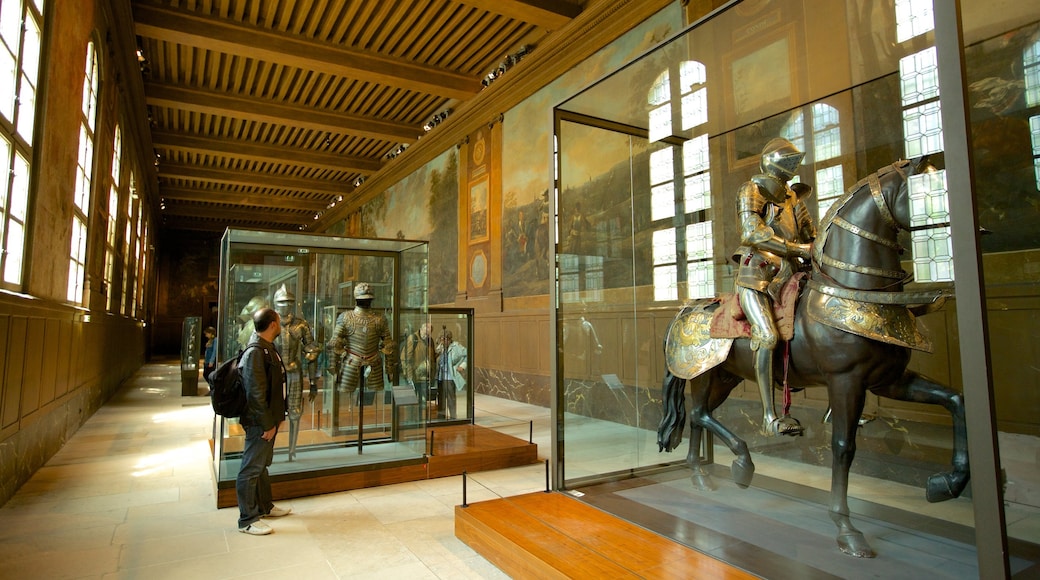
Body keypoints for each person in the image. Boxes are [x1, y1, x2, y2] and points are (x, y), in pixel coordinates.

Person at [732, 137, 817, 437]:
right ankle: (769, 417)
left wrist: (815, 249)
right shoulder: (752, 190)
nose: (793, 167)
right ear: (772, 163)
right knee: (767, 336)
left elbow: (811, 234)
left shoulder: (794, 198)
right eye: (788, 161)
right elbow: (752, 233)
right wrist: (798, 249)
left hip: (794, 275)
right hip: (759, 276)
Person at [236, 307, 291, 535]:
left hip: (270, 420)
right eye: (278, 321)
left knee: (261, 466)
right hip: (260, 423)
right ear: (272, 325)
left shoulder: (268, 348)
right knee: (250, 469)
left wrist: (279, 417)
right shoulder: (255, 352)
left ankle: (264, 506)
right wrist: (267, 423)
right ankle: (247, 519)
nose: (280, 324)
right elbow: (255, 394)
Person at [272, 284, 321, 462]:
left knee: (295, 412)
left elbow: (312, 352)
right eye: (282, 302)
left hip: (293, 371)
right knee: (270, 411)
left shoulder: (300, 324)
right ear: (275, 303)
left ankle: (292, 449)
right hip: (273, 373)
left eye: (288, 302)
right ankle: (270, 448)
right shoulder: (269, 323)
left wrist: (313, 382)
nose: (285, 305)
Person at [329, 282, 396, 398]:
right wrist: (333, 368)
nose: (365, 302)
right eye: (363, 300)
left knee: (374, 392)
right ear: (356, 300)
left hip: (374, 362)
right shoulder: (346, 317)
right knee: (348, 390)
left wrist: (389, 370)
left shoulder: (379, 319)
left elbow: (388, 345)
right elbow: (335, 343)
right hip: (351, 361)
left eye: (367, 300)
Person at [434, 329, 467, 420]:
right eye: (441, 339)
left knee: (451, 398)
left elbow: (468, 354)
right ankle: (441, 416)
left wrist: (462, 366)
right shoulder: (440, 347)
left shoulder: (456, 346)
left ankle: (453, 416)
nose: (443, 341)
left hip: (450, 377)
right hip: (440, 376)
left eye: (444, 339)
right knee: (441, 398)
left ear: (449, 339)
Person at [402, 322, 434, 409]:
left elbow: (432, 358)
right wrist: (409, 376)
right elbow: (405, 358)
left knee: (423, 403)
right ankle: (411, 420)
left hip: (425, 377)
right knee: (411, 403)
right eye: (427, 330)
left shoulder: (430, 340)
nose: (429, 333)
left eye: (430, 331)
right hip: (414, 376)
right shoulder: (413, 338)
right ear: (422, 329)